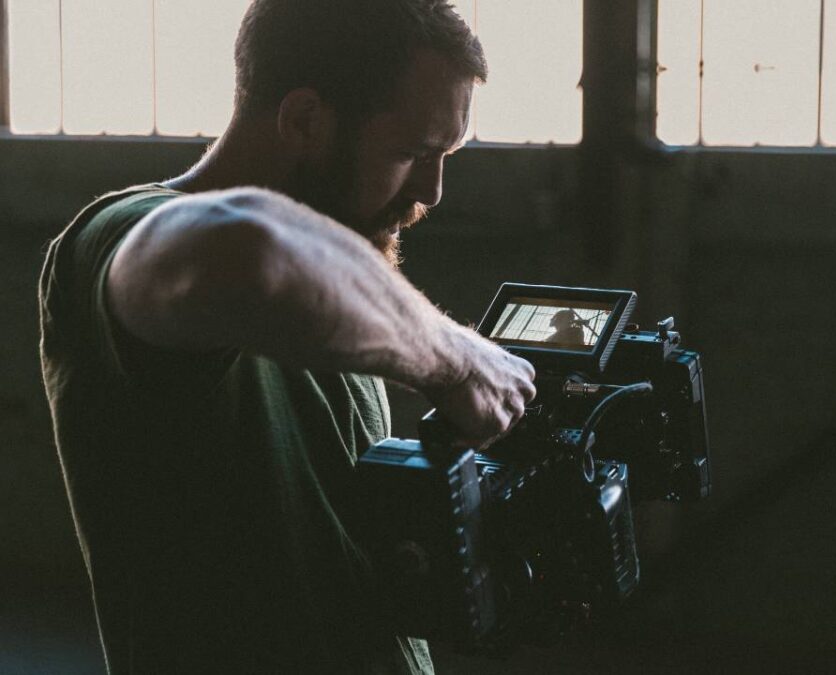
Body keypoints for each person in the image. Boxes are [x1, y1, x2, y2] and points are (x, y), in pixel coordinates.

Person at [38, 1, 537, 672]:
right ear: (304, 119)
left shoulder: (340, 270)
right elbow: (250, 254)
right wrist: (458, 363)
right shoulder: (118, 234)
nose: (432, 190)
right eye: (412, 153)